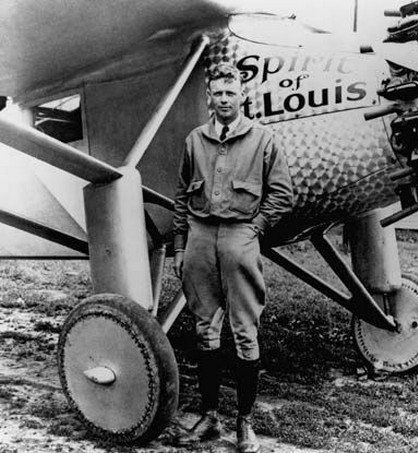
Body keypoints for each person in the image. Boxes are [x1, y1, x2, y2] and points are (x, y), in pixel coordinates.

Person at [172, 63, 293, 453]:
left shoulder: (263, 140)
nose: (224, 100)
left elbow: (282, 194)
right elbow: (180, 197)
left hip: (241, 237)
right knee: (205, 329)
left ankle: (244, 422)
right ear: (210, 97)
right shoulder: (195, 141)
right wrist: (179, 246)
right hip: (200, 239)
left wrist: (254, 228)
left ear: (242, 96)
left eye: (231, 93)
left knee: (245, 332)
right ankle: (209, 416)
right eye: (218, 94)